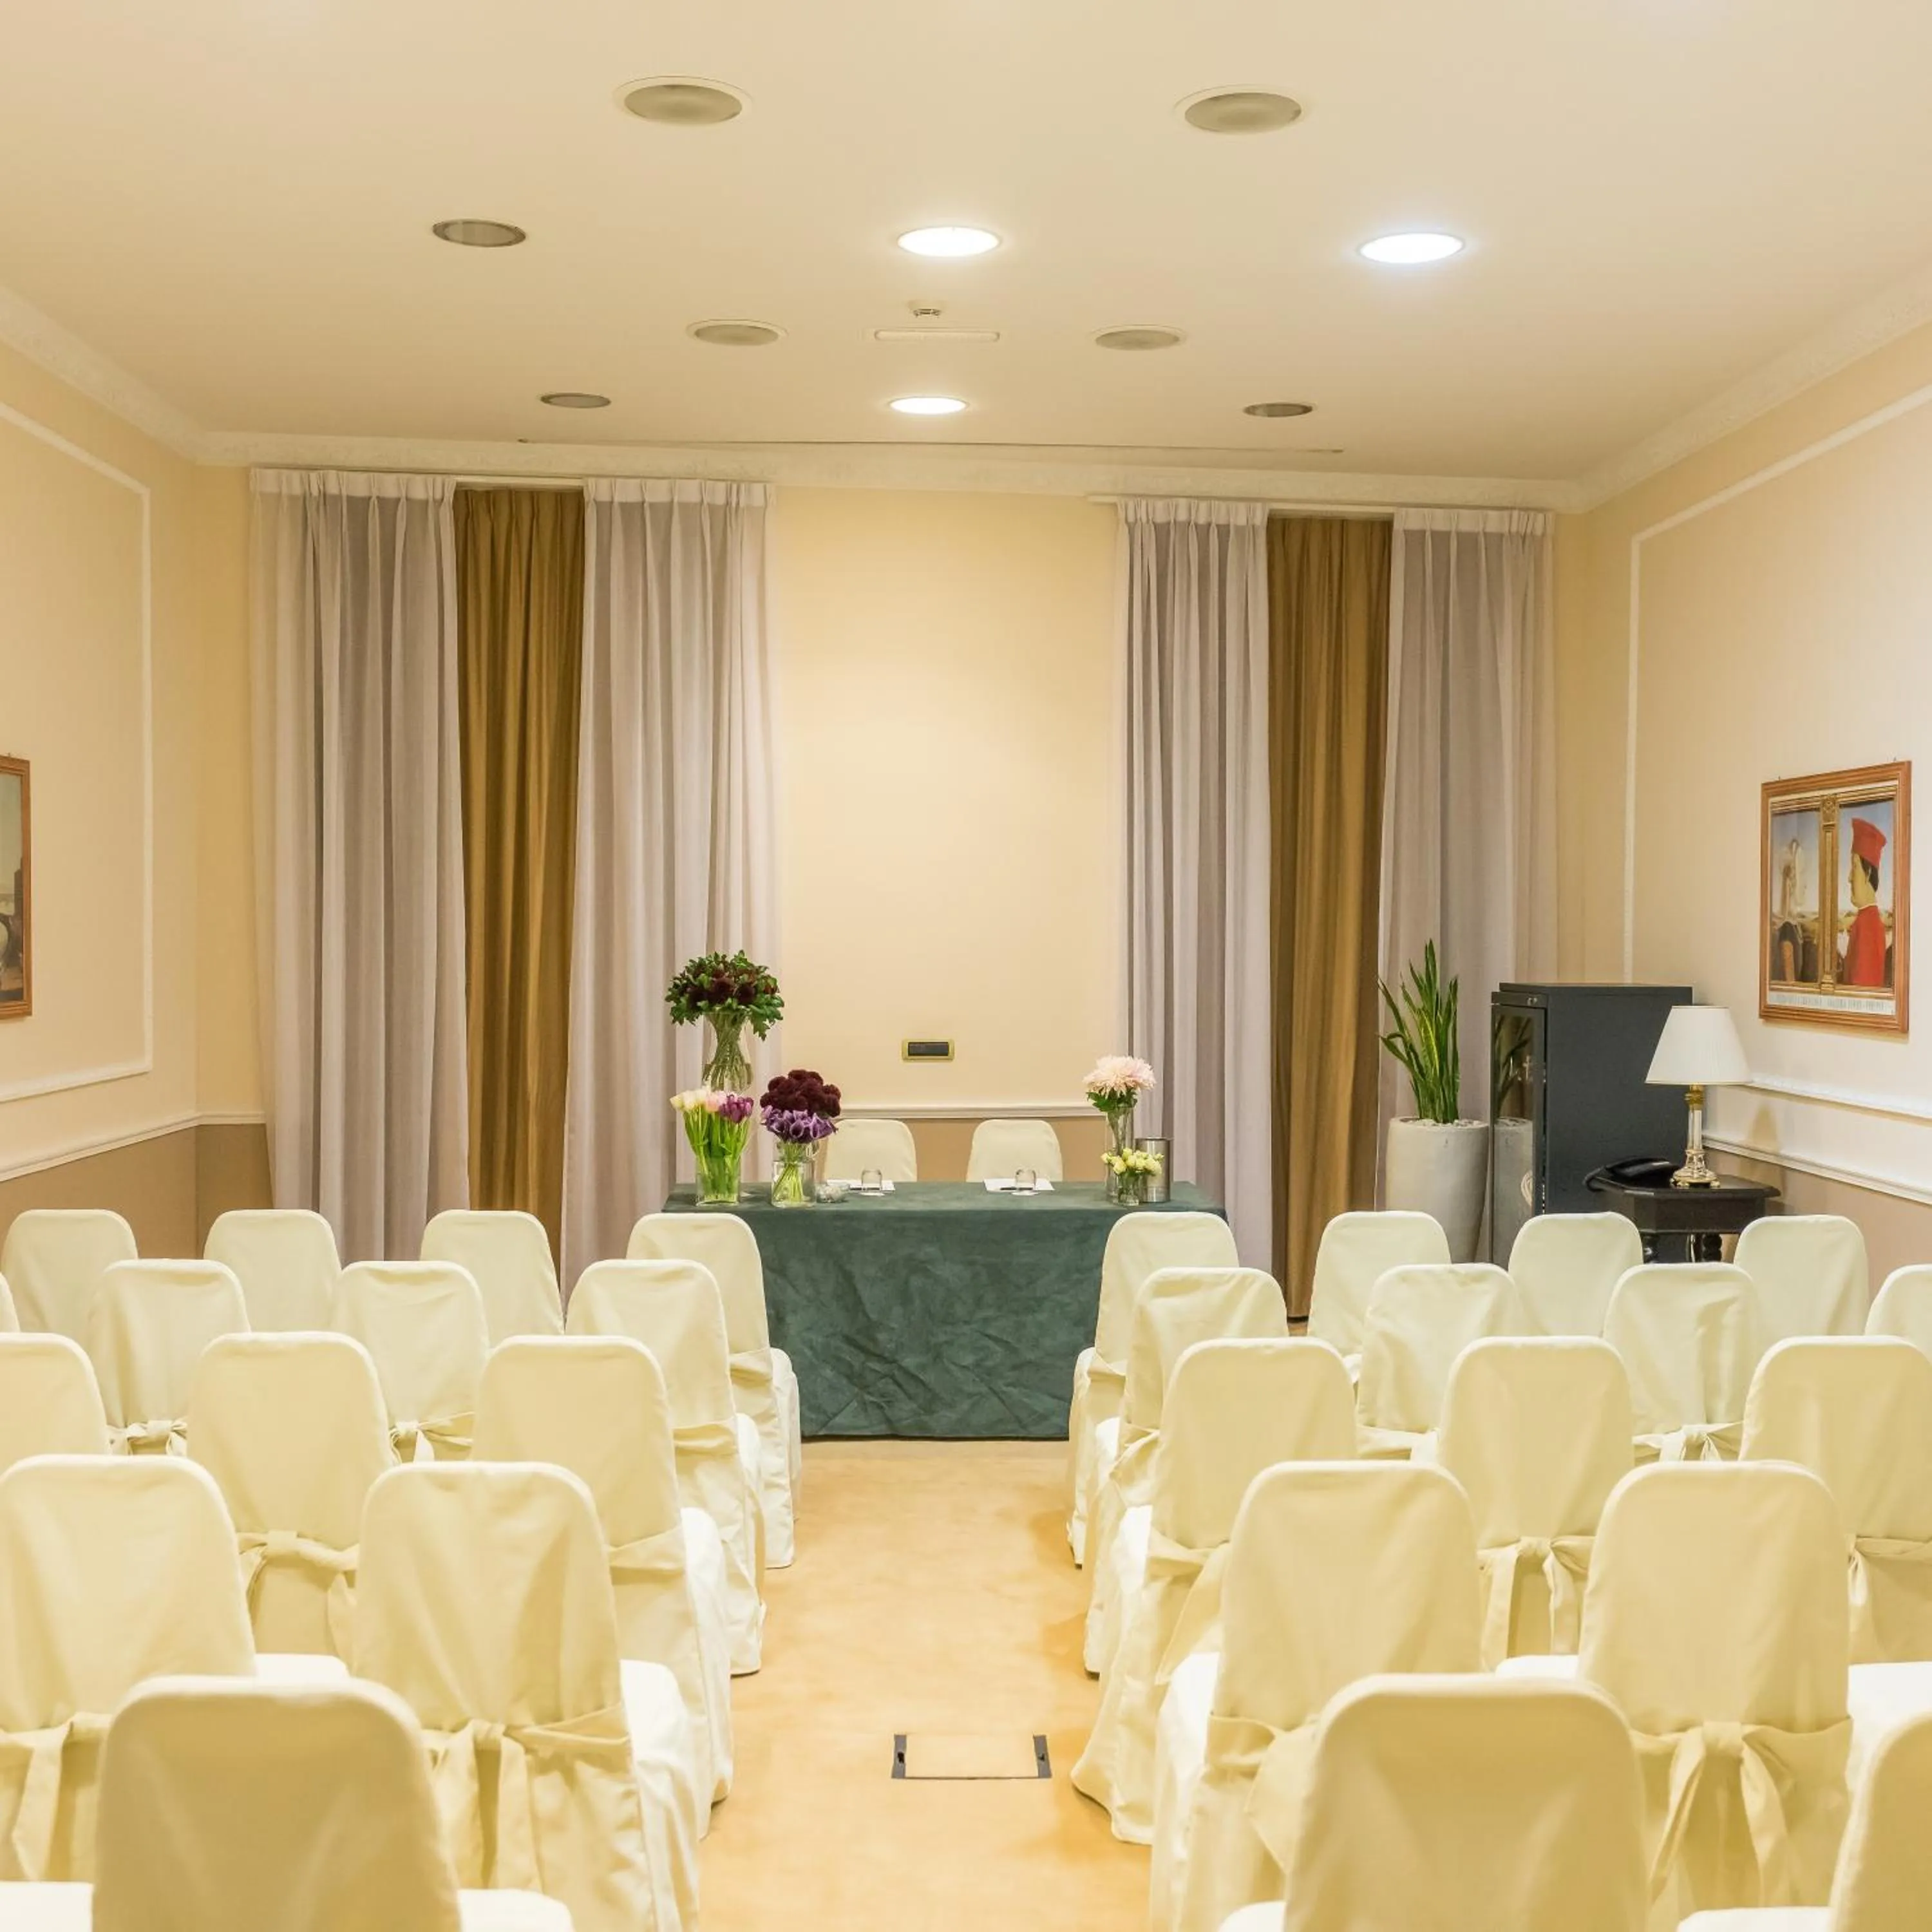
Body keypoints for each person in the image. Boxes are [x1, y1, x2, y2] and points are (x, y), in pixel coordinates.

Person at [1840, 815, 1889, 988]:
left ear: (1868, 874)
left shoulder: (1868, 927)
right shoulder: (1866, 920)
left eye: (1854, 867)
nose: (1849, 878)